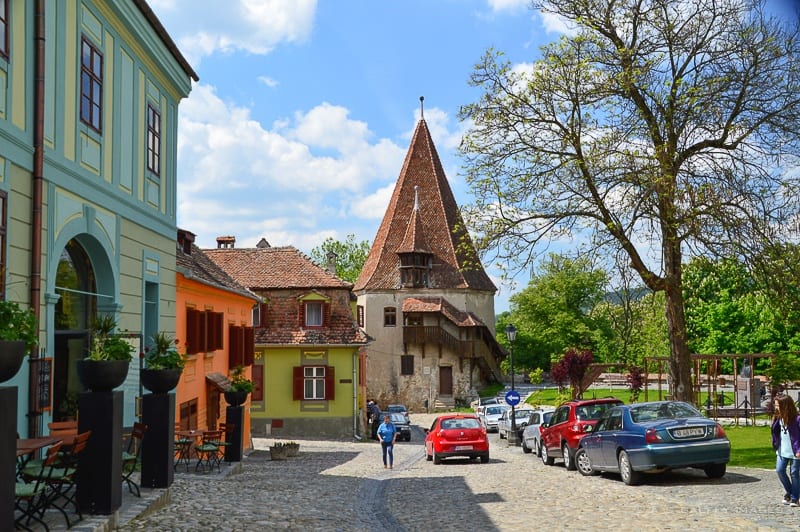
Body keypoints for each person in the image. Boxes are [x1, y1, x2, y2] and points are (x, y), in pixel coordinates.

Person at [771, 394, 800, 507]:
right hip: (782, 450)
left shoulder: (797, 419)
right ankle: (791, 492)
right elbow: (776, 432)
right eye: (776, 405)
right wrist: (775, 443)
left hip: (795, 451)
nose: (776, 407)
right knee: (780, 470)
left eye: (778, 405)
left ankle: (794, 498)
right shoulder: (778, 417)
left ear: (786, 406)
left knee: (794, 473)